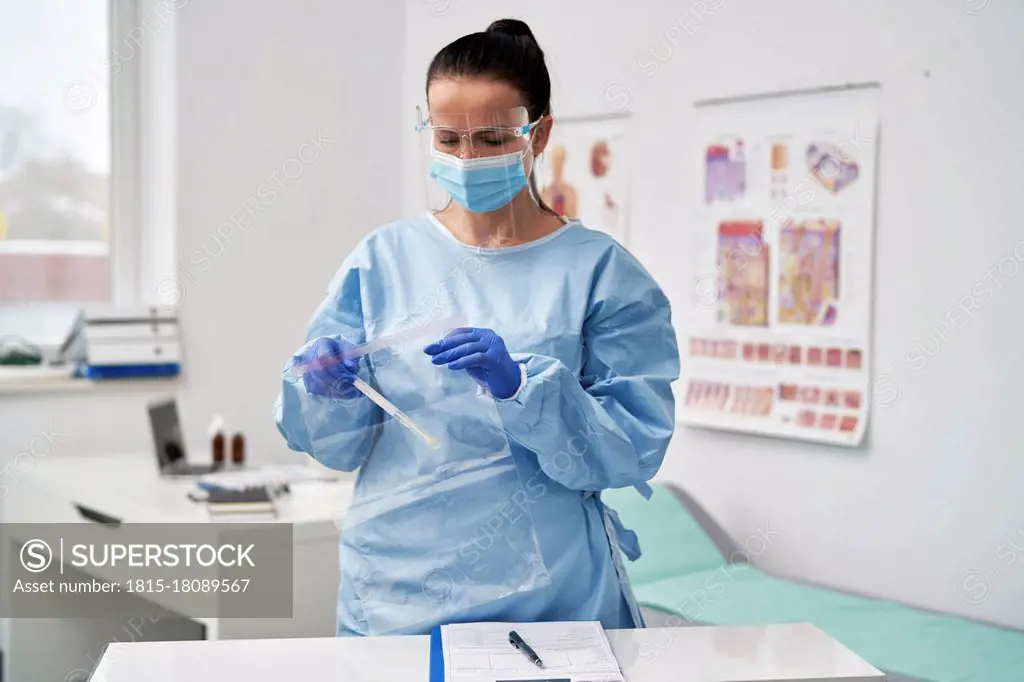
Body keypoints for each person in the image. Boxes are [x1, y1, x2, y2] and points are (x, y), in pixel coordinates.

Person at [274, 18, 680, 638]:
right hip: (396, 597)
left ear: (539, 132)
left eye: (492, 138)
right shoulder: (381, 261)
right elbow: (336, 445)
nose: (467, 158)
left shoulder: (602, 274)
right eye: (448, 137)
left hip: (552, 603)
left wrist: (524, 388)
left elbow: (632, 447)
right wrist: (324, 387)